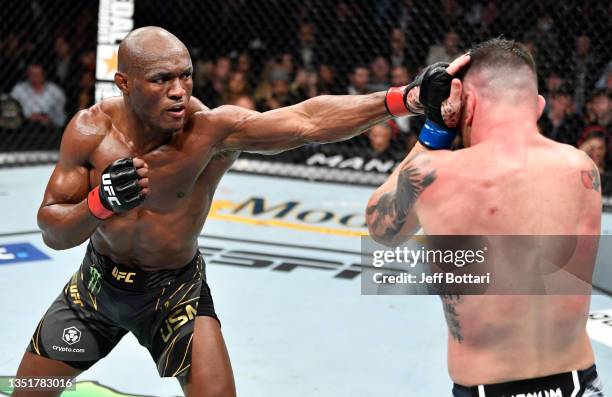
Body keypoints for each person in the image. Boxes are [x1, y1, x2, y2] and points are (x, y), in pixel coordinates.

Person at [13, 26, 464, 397]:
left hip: (174, 295)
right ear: (125, 83)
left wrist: (404, 99)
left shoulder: (210, 131)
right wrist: (99, 203)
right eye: (161, 80)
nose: (179, 92)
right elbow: (53, 230)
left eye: (185, 76)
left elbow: (307, 122)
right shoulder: (90, 131)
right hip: (95, 291)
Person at [366, 38, 604, 396]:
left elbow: (380, 227)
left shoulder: (439, 173)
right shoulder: (583, 169)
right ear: (538, 105)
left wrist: (437, 127)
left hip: (487, 386)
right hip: (580, 383)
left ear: (467, 103)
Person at [10, 63, 66, 127]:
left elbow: (60, 115)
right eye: (32, 75)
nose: (35, 78)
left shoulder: (55, 91)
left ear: (43, 75)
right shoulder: (18, 90)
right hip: (23, 126)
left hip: (49, 128)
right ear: (27, 75)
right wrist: (26, 118)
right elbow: (10, 110)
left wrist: (50, 119)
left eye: (37, 75)